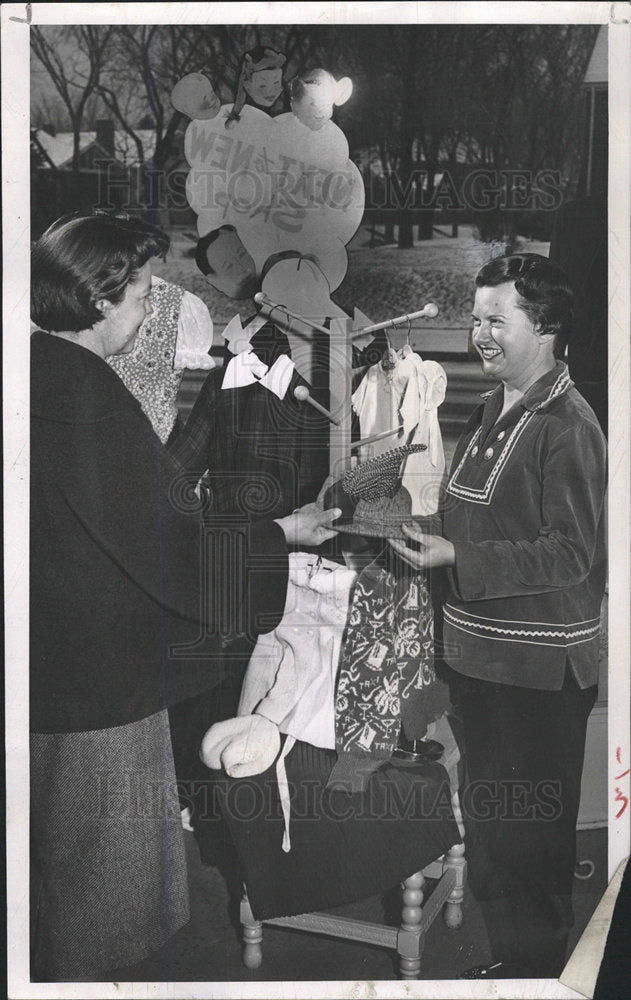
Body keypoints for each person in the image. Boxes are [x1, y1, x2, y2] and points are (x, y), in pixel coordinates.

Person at [29, 211, 340, 981]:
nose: (143, 312)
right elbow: (172, 554)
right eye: (138, 294)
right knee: (101, 895)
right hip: (102, 690)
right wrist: (282, 537)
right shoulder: (91, 402)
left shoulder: (34, 374)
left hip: (45, 669)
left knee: (50, 868)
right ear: (100, 299)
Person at [390, 253, 607, 979]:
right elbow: (471, 517)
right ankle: (512, 966)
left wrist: (455, 554)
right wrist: (406, 522)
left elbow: (569, 554)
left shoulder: (567, 425)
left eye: (494, 319)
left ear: (543, 324)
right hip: (481, 662)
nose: (478, 334)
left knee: (530, 843)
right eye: (475, 318)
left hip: (536, 674)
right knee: (493, 829)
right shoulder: (494, 407)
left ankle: (536, 973)